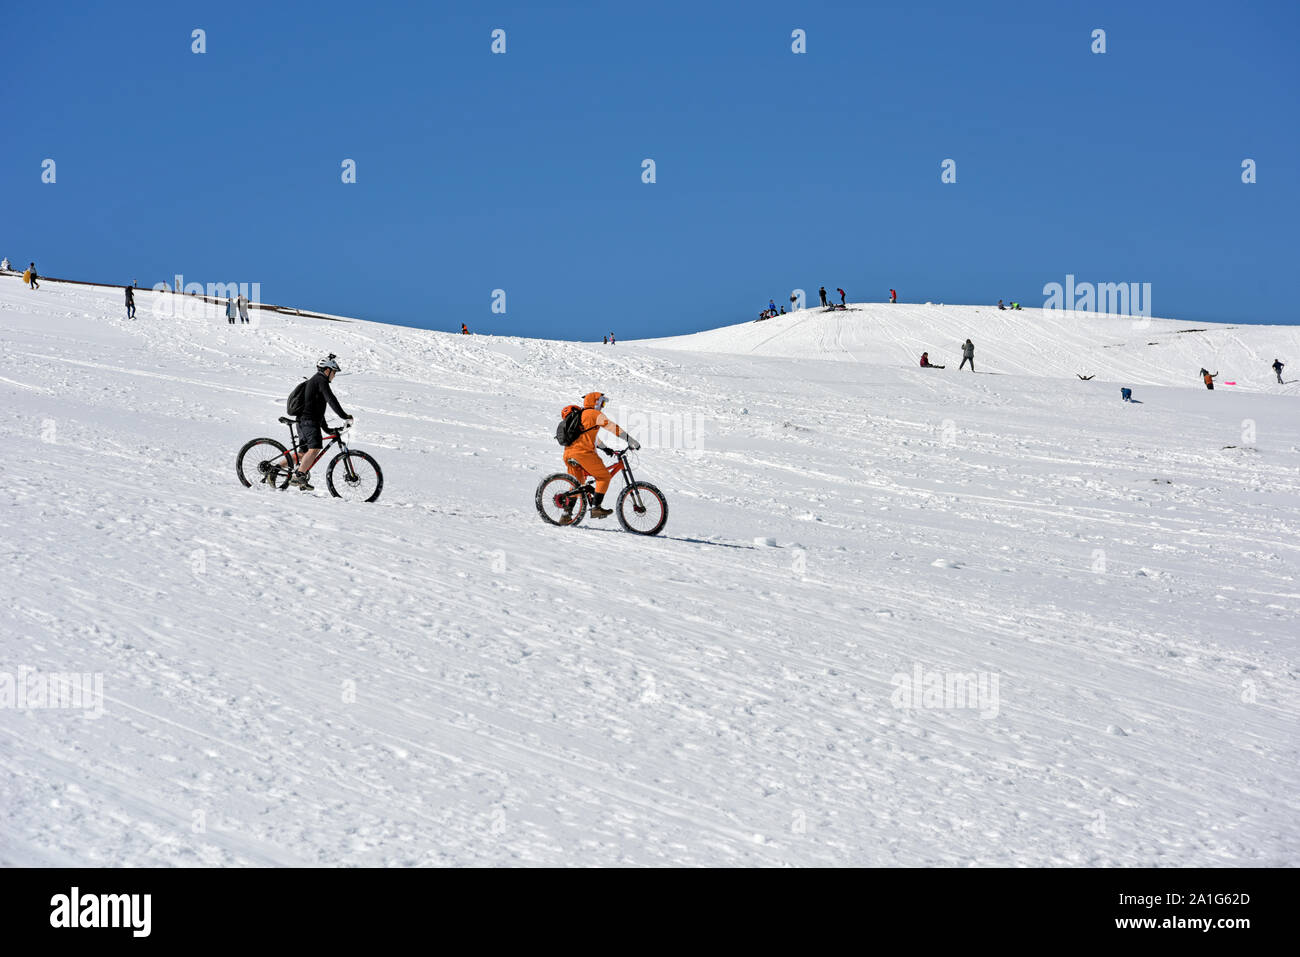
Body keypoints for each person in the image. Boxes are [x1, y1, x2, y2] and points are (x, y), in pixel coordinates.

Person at [560, 392, 639, 521]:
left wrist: (606, 448)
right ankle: (596, 507)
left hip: (569, 453)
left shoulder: (581, 415)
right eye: (601, 403)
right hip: (583, 454)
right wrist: (630, 440)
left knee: (577, 485)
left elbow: (590, 438)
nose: (602, 406)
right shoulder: (594, 414)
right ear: (595, 402)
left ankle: (566, 515)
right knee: (603, 477)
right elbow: (613, 428)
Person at [289, 356, 353, 490]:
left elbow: (317, 410)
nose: (334, 376)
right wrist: (344, 416)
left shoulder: (316, 381)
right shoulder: (320, 380)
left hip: (304, 421)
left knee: (303, 453)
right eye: (334, 372)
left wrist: (327, 429)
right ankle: (298, 476)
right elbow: (331, 399)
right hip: (308, 422)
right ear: (327, 370)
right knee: (315, 448)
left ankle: (275, 469)